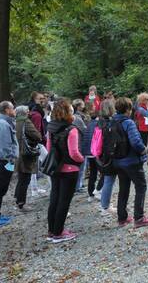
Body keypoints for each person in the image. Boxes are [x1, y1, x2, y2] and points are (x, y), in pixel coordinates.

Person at [45, 99, 85, 243]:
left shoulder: (51, 128)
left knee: (54, 198)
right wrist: (82, 159)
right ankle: (59, 232)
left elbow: (49, 149)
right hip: (70, 168)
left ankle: (51, 230)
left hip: (55, 168)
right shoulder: (71, 129)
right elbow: (74, 152)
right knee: (64, 200)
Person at [112, 97, 148, 228]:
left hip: (118, 160)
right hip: (131, 160)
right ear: (128, 109)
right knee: (141, 187)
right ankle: (139, 217)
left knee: (123, 189)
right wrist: (143, 150)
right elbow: (135, 141)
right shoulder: (128, 123)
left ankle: (122, 218)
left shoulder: (111, 122)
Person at [13, 105, 42, 211]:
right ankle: (21, 203)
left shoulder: (14, 122)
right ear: (25, 112)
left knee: (21, 177)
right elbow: (37, 136)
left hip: (18, 152)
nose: (29, 112)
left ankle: (17, 197)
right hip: (26, 153)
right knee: (25, 178)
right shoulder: (26, 122)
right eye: (28, 111)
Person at [97, 99, 118, 216]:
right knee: (109, 180)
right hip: (110, 155)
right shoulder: (111, 122)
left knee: (107, 179)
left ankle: (105, 205)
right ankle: (105, 207)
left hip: (101, 155)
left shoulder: (99, 122)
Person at [81, 110, 104, 202]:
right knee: (104, 173)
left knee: (93, 174)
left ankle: (90, 194)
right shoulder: (99, 124)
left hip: (88, 152)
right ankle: (97, 190)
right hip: (96, 152)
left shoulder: (89, 124)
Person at [72, 99, 88, 192]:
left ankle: (79, 184)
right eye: (82, 105)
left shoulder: (77, 116)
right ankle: (77, 186)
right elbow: (84, 130)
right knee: (81, 166)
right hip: (80, 144)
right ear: (78, 106)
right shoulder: (78, 118)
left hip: (78, 143)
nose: (84, 106)